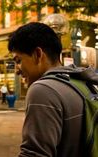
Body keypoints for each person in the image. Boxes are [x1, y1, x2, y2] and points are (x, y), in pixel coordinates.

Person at [7, 22, 98, 157]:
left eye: (19, 60)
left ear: (38, 54)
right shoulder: (83, 83)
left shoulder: (43, 90)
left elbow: (35, 154)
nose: (17, 71)